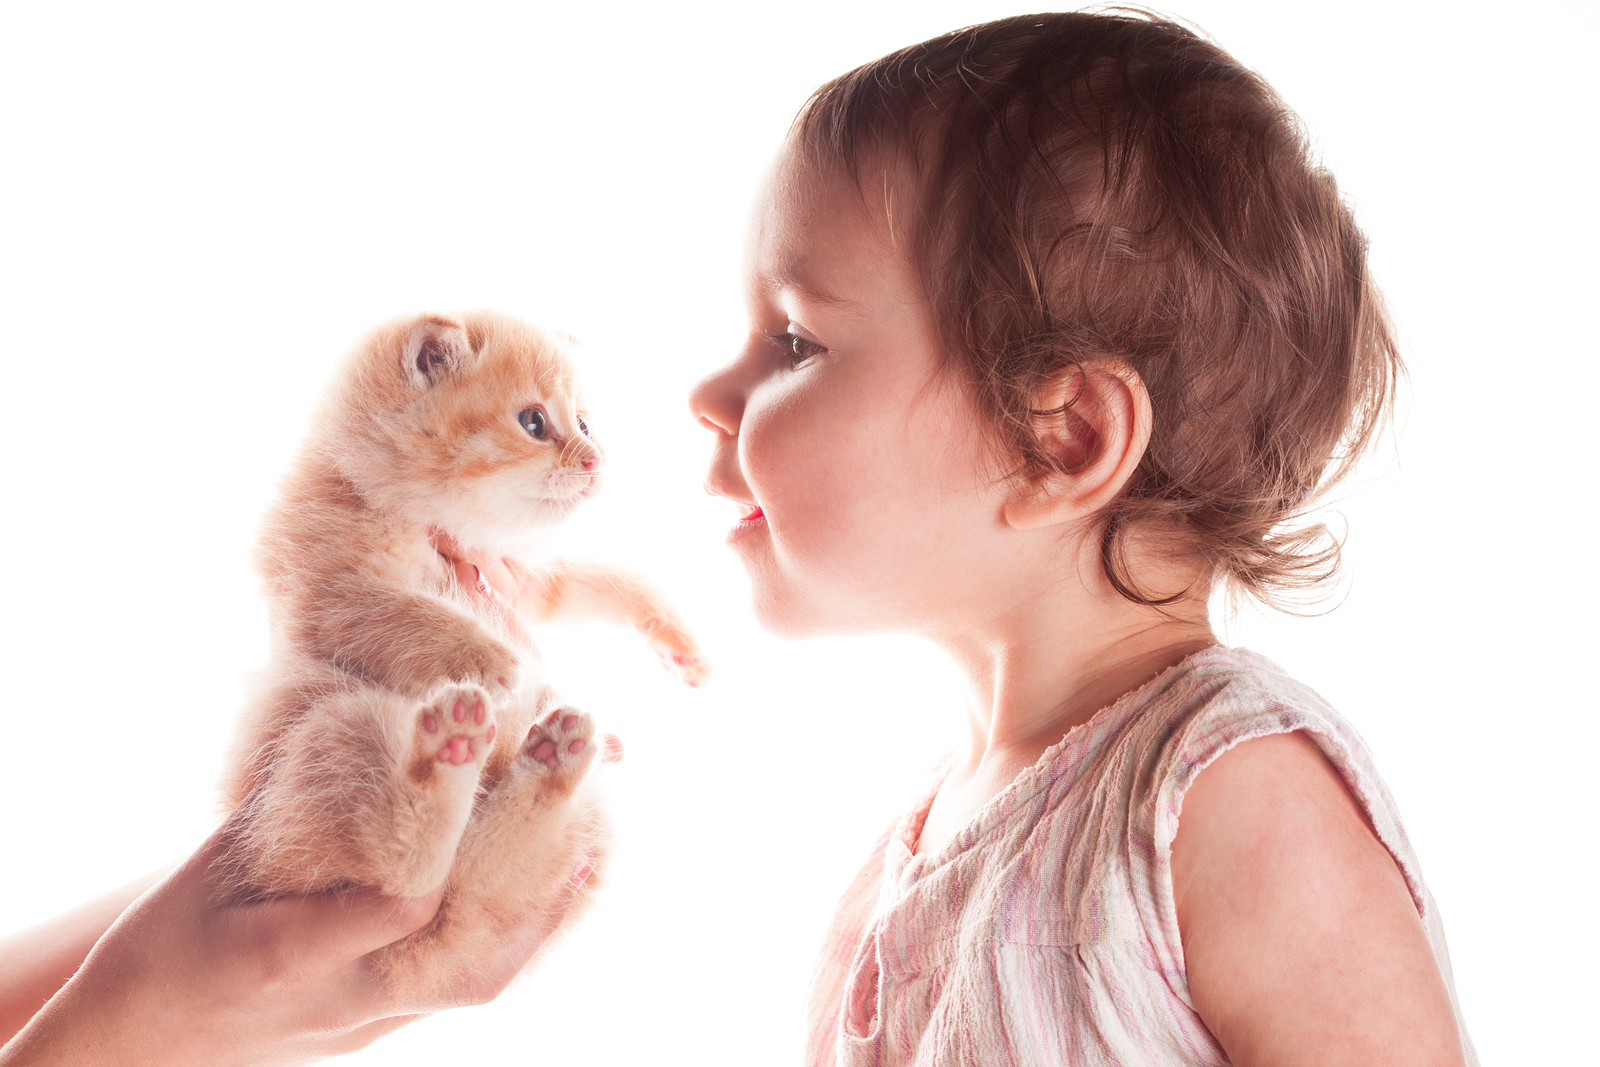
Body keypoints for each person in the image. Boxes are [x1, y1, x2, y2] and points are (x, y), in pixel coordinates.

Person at [686, 12, 1475, 1067]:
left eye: (794, 339)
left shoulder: (1227, 795)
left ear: (1064, 439)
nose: (706, 394)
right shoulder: (920, 842)